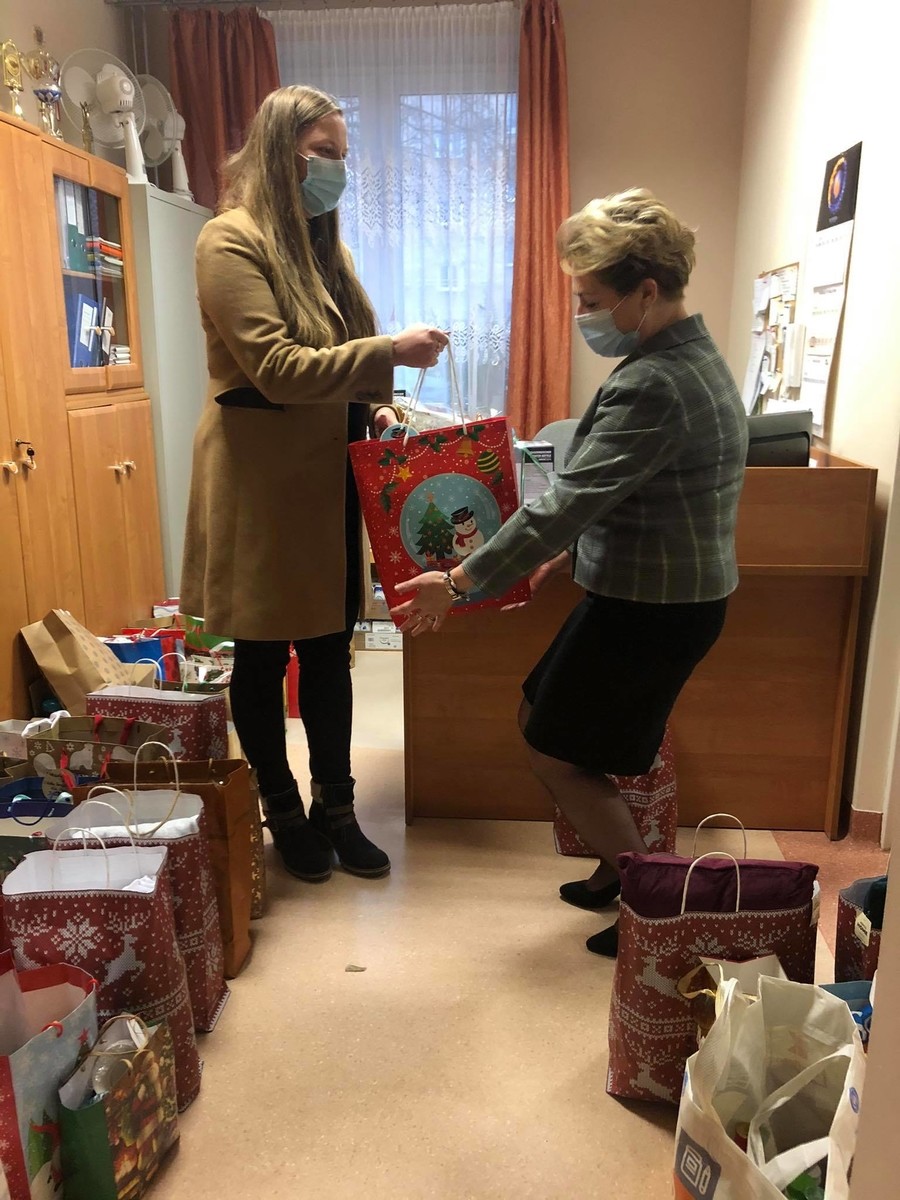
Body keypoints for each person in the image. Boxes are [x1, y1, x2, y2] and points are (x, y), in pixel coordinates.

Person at [393, 188, 748, 956]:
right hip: (652, 595)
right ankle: (618, 869)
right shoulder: (688, 357)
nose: (584, 315)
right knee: (541, 716)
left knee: (554, 748)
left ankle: (655, 904)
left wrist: (458, 583)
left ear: (645, 292)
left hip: (652, 607)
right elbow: (626, 494)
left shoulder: (655, 381)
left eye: (590, 300)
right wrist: (559, 557)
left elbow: (571, 500)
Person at [180, 85, 448, 884]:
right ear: (279, 153)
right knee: (263, 657)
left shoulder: (328, 252)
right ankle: (283, 809)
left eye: (342, 156)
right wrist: (388, 353)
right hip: (261, 483)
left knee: (331, 652)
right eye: (323, 154)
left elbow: (340, 363)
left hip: (329, 476)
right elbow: (276, 367)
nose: (337, 170)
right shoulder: (229, 241)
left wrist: (383, 404)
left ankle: (338, 809)